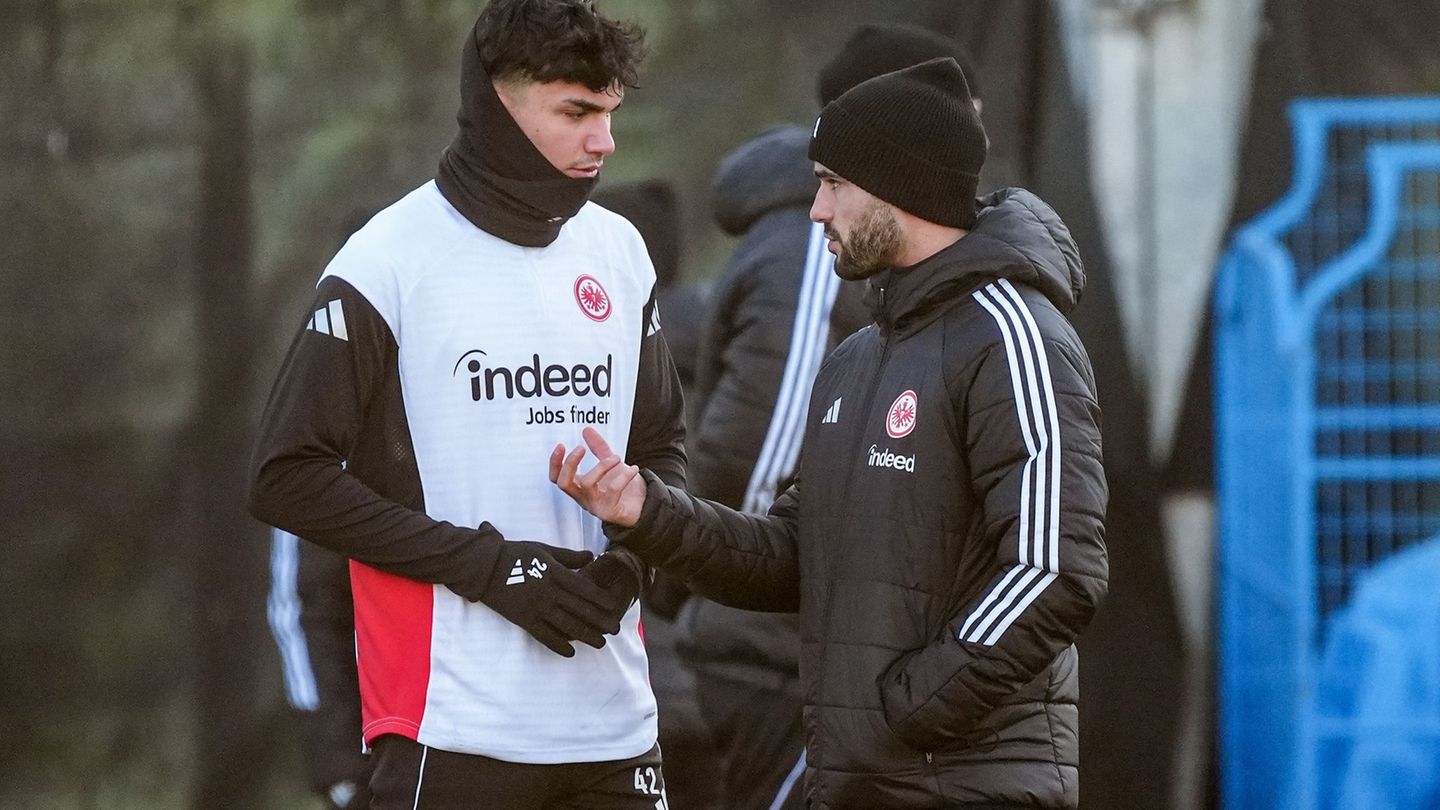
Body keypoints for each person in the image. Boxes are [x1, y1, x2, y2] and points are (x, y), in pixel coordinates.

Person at [553, 59, 1108, 809]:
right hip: (859, 784)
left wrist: (903, 709)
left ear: (899, 187)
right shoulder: (858, 358)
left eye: (833, 183)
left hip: (967, 786)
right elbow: (790, 554)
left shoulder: (1013, 335)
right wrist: (647, 512)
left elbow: (1053, 569)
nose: (816, 210)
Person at [248, 1, 686, 806]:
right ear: (496, 102)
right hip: (449, 729)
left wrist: (631, 561)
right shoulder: (387, 258)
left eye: (611, 113)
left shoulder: (620, 251)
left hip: (617, 730)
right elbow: (285, 476)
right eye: (577, 111)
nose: (604, 141)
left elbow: (664, 451)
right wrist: (491, 567)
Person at [678, 24, 986, 810]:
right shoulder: (817, 255)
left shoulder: (882, 263)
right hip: (779, 660)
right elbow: (757, 456)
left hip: (812, 656)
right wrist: (699, 582)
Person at [266, 527, 371, 809]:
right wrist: (340, 763)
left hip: (466, 741)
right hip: (369, 754)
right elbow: (301, 615)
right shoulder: (310, 493)